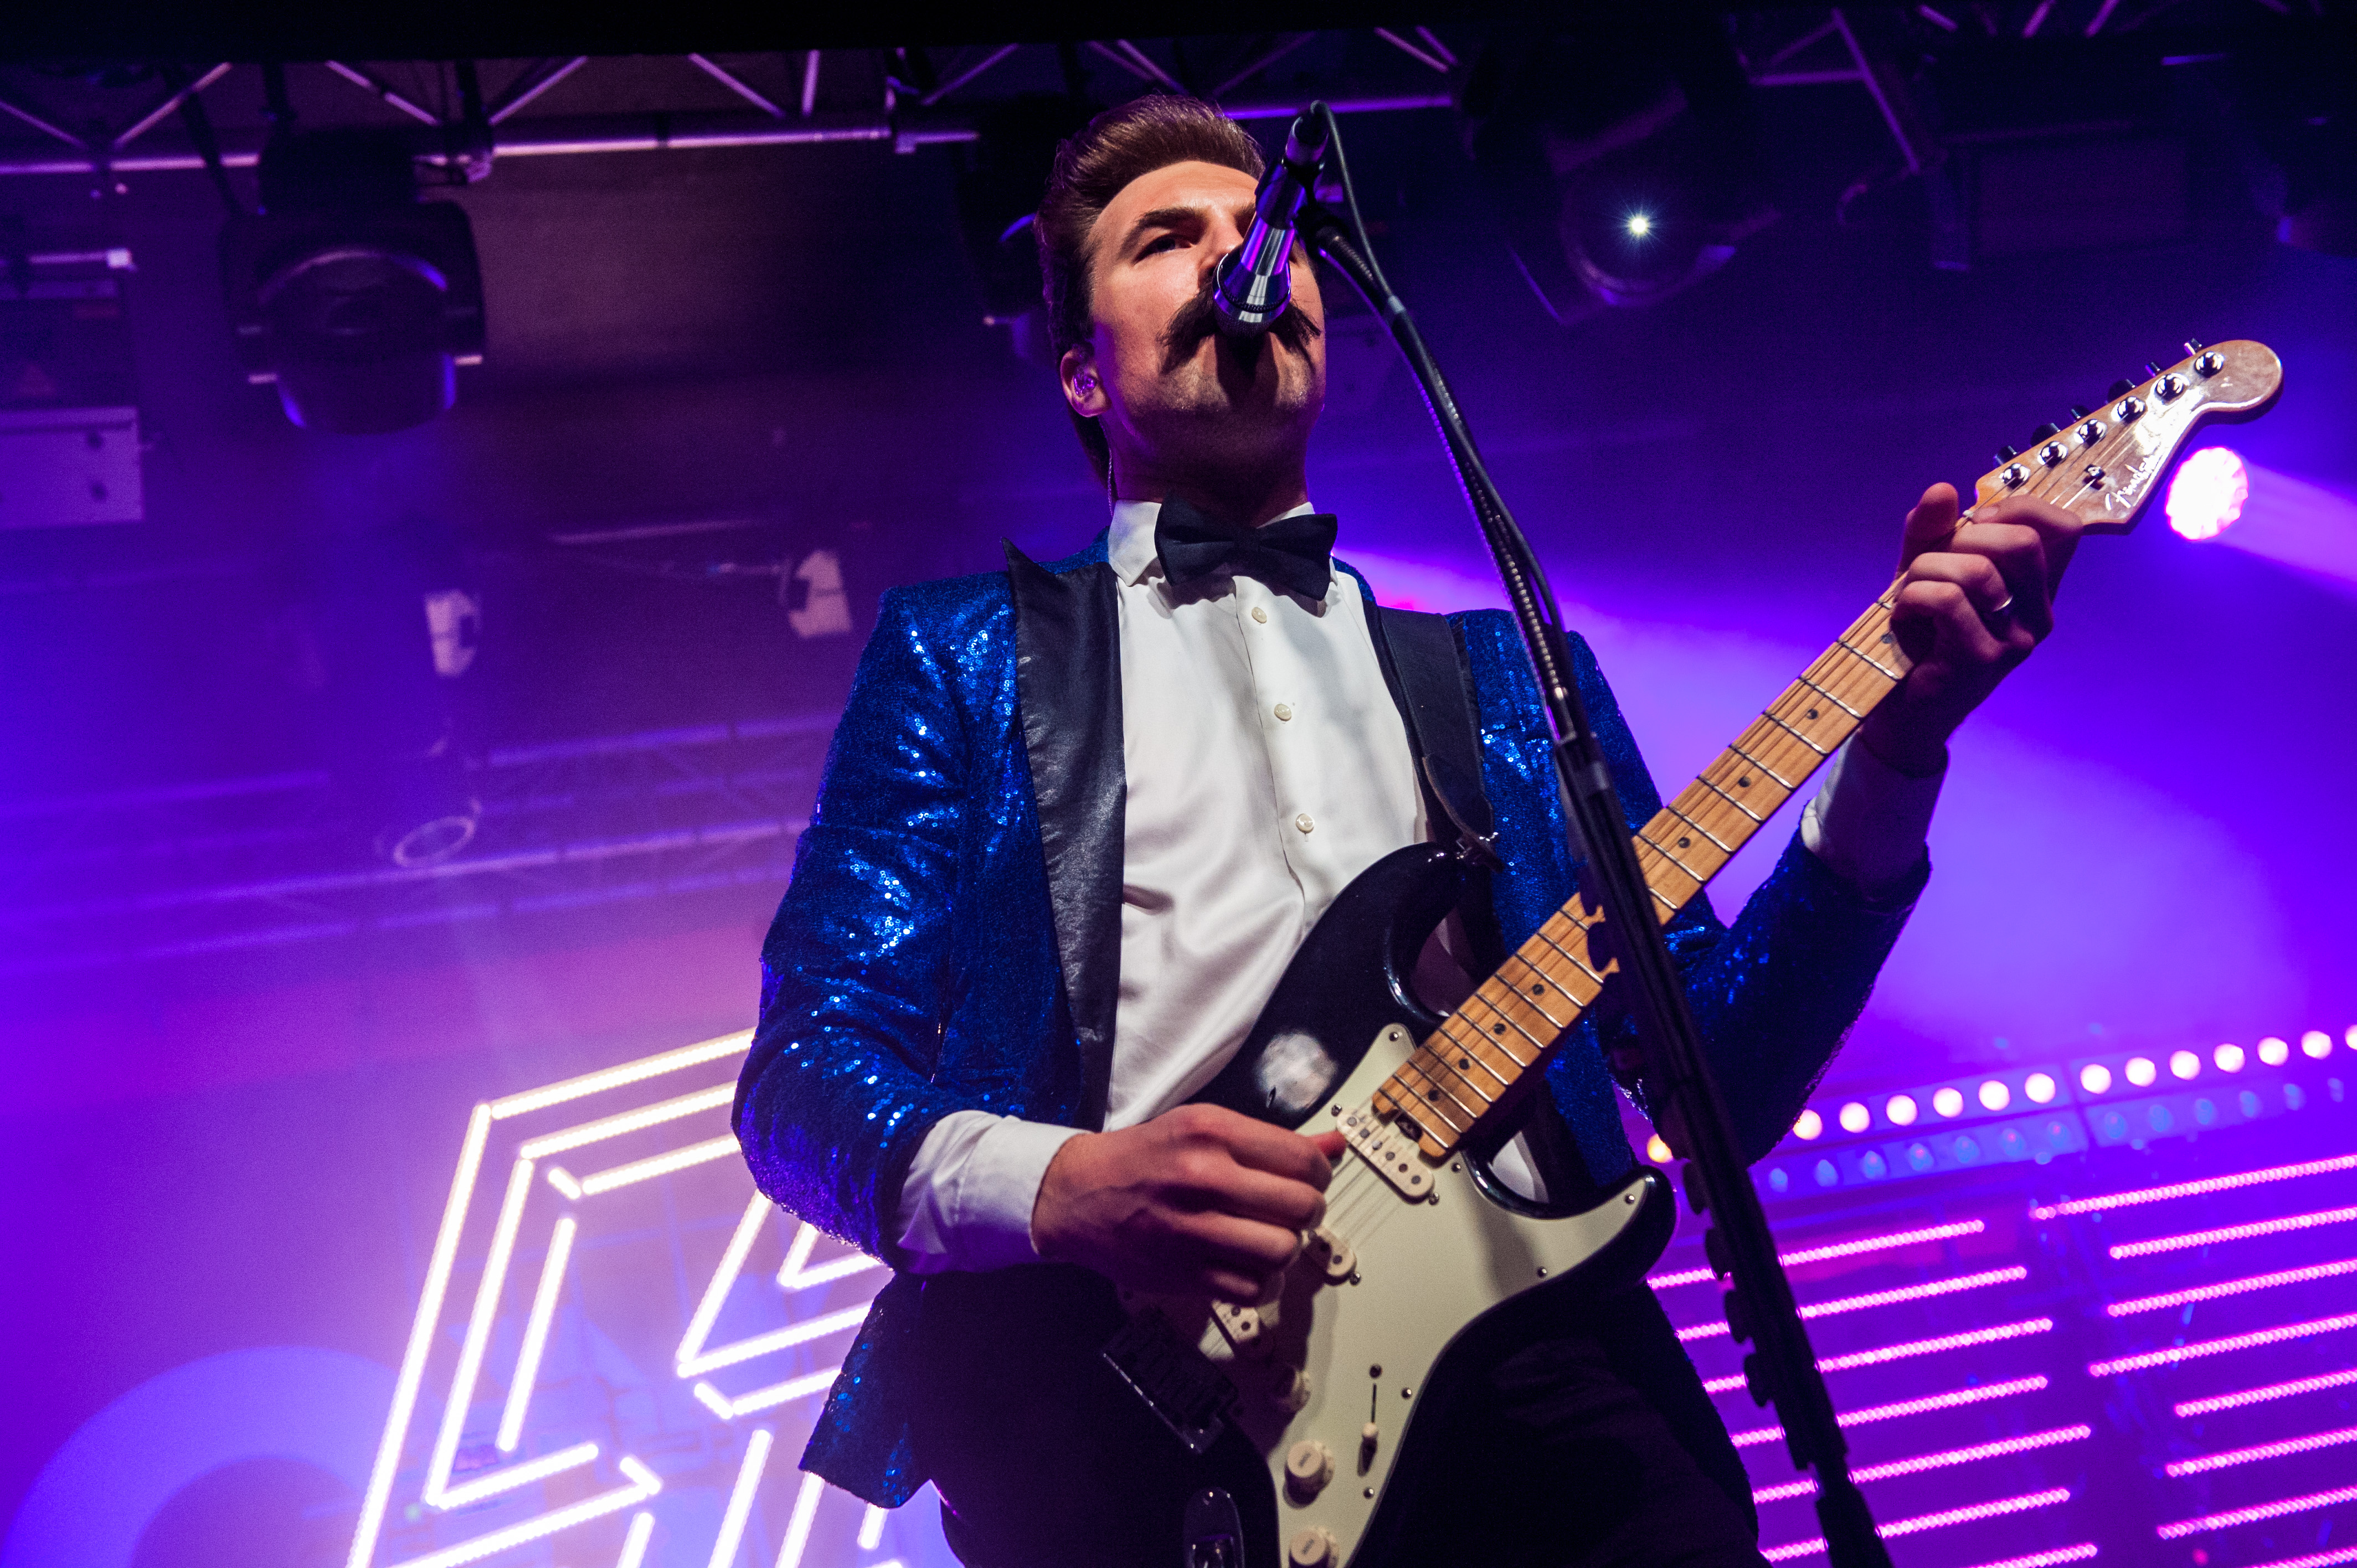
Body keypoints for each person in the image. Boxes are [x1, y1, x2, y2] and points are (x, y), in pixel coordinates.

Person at [735, 95, 2080, 1567]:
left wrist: (1895, 749)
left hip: (1550, 1385)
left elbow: (1723, 1078)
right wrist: (1066, 1188)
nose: (1236, 258)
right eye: (1165, 239)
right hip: (1128, 1419)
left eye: (1262, 233)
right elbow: (806, 1080)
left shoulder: (1509, 673)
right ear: (1080, 370)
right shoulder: (964, 657)